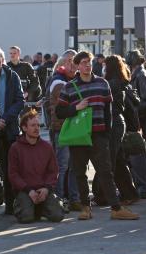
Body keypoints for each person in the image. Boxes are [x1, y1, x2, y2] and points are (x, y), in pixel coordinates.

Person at [56, 51, 139, 221]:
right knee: (80, 173)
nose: (87, 65)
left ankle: (116, 208)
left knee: (105, 172)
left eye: (89, 62)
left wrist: (107, 133)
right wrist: (76, 108)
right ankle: (85, 208)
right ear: (77, 65)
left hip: (99, 135)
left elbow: (109, 110)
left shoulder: (103, 84)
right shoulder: (69, 86)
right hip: (79, 137)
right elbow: (58, 111)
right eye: (84, 62)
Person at [0, 45, 25, 215]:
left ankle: (10, 205)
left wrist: (5, 119)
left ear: (3, 59)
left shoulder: (12, 76)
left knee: (10, 170)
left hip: (9, 129)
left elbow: (19, 101)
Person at [96, 55, 139, 204]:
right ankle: (129, 193)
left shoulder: (110, 84)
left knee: (108, 160)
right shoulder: (121, 82)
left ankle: (102, 195)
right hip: (118, 122)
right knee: (118, 160)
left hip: (112, 123)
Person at [8, 109, 64, 224]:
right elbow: (13, 174)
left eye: (38, 125)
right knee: (26, 218)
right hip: (26, 191)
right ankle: (28, 208)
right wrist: (28, 190)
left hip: (44, 190)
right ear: (24, 128)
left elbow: (53, 171)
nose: (37, 128)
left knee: (58, 216)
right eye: (33, 125)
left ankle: (41, 209)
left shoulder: (47, 147)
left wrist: (47, 188)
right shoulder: (15, 148)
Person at [48, 54, 81, 211]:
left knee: (74, 166)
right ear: (63, 64)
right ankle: (59, 200)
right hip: (64, 130)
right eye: (69, 62)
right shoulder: (60, 82)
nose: (72, 65)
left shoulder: (71, 80)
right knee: (62, 166)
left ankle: (73, 199)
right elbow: (59, 110)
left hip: (72, 129)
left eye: (75, 62)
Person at [125, 49, 146, 198]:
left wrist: (133, 106)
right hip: (138, 120)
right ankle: (141, 185)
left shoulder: (141, 76)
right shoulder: (137, 75)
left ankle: (144, 187)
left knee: (139, 156)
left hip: (142, 121)